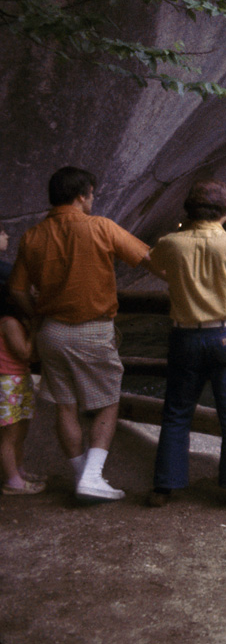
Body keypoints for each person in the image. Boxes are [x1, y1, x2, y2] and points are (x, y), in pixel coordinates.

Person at [9, 166, 152, 501]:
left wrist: (37, 314)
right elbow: (149, 258)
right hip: (92, 330)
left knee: (65, 405)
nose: (93, 199)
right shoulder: (100, 226)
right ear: (82, 194)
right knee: (108, 403)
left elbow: (17, 290)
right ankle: (91, 476)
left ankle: (80, 477)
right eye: (92, 194)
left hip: (51, 332)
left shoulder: (32, 236)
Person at [148, 180, 226, 508]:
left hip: (185, 334)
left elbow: (154, 262)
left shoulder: (171, 243)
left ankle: (164, 486)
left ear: (188, 211)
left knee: (176, 411)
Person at [1, 261, 43, 495]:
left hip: (18, 378)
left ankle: (17, 471)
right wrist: (36, 328)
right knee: (9, 433)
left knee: (20, 429)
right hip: (8, 381)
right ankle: (12, 481)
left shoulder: (15, 322)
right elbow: (26, 352)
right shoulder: (9, 323)